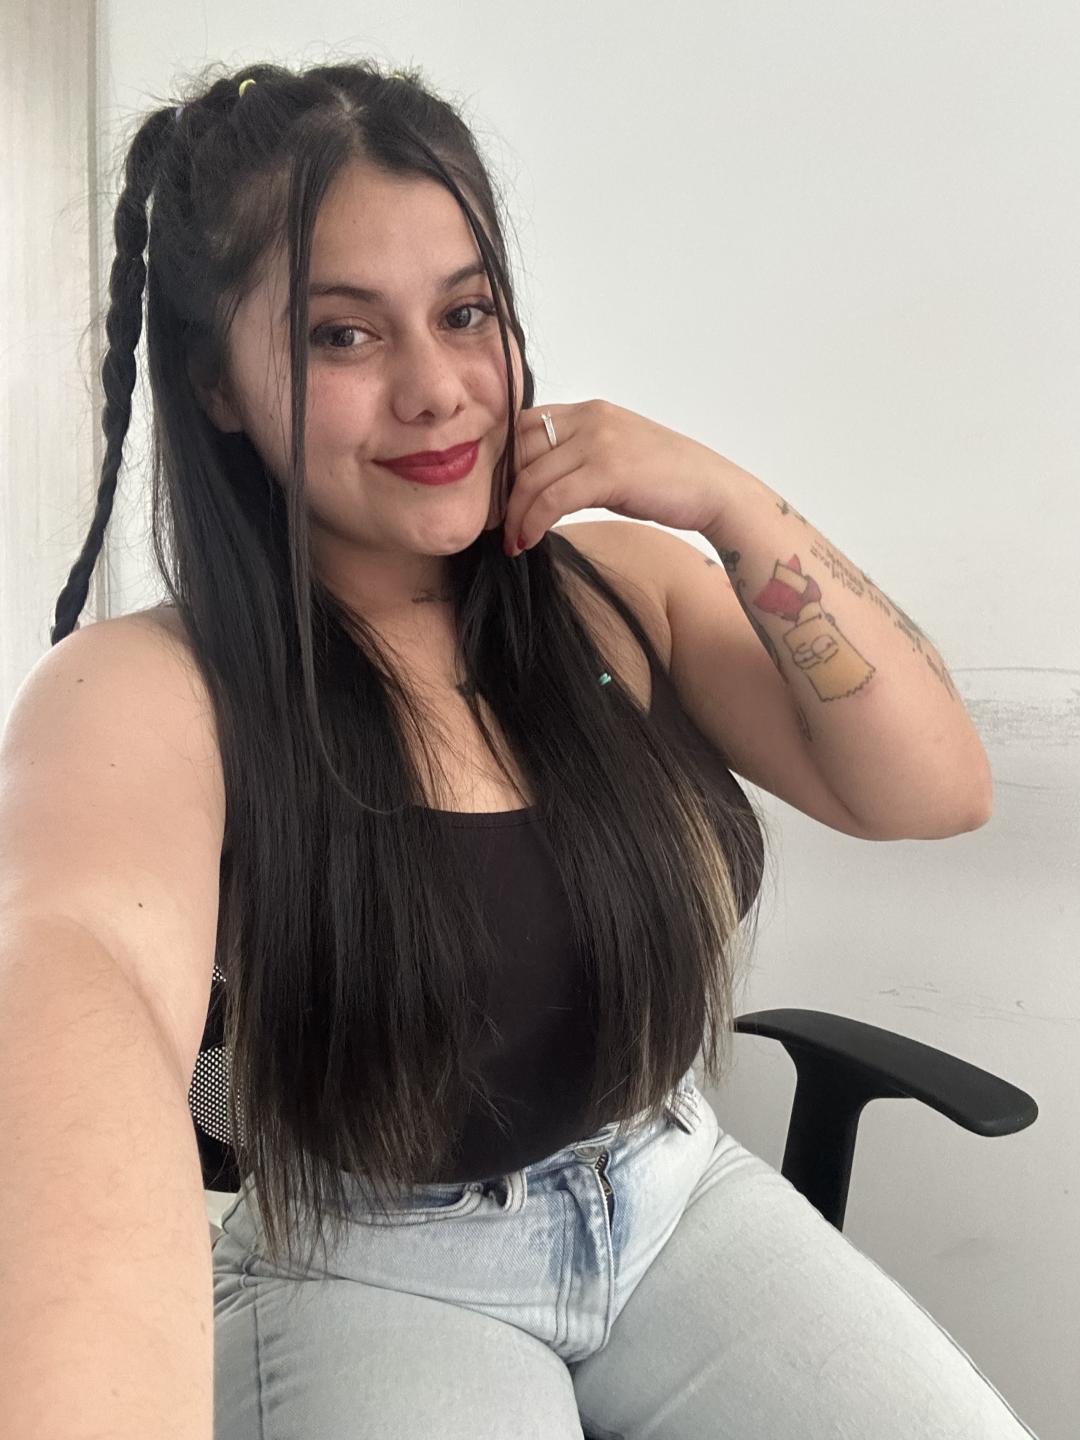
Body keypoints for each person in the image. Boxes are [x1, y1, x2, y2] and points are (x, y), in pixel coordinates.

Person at [5, 57, 1037, 1440]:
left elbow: (934, 789)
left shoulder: (622, 593)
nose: (438, 391)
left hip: (672, 1194)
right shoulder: (146, 690)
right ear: (219, 384)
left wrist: (728, 503)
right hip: (373, 1270)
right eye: (342, 336)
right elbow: (75, 1001)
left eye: (465, 312)